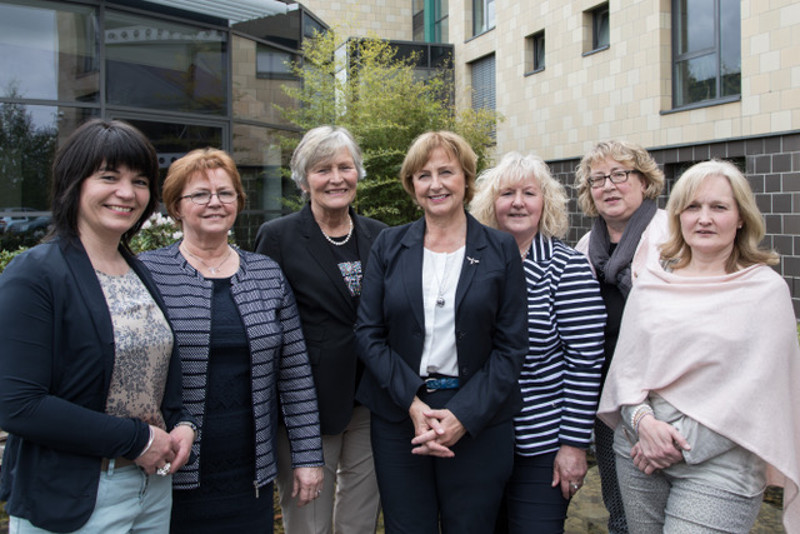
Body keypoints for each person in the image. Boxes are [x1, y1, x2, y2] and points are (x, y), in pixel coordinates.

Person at [0, 118, 196, 533]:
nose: (127, 193)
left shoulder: (136, 270)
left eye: (140, 181)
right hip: (75, 496)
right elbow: (17, 404)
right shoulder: (35, 274)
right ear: (75, 183)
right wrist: (137, 439)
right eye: (109, 177)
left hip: (150, 490)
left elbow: (157, 369)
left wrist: (180, 423)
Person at [597, 159, 800, 533]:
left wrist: (677, 443)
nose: (704, 218)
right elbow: (626, 369)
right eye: (692, 207)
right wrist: (642, 424)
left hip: (720, 461)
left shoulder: (765, 291)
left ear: (740, 218)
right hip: (639, 450)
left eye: (718, 207)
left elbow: (761, 390)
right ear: (678, 216)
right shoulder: (653, 282)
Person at [138, 148, 324, 533]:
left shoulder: (266, 273)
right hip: (169, 470)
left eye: (226, 193)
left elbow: (295, 374)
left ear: (239, 202)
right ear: (176, 206)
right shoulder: (148, 272)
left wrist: (307, 457)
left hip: (249, 475)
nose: (215, 203)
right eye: (200, 194)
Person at [355, 131, 527, 533]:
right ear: (411, 185)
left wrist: (461, 417)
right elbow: (368, 333)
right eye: (423, 174)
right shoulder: (388, 245)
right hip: (401, 415)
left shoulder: (500, 249)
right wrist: (414, 405)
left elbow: (512, 346)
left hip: (478, 417)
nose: (435, 184)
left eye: (446, 172)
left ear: (466, 179)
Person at [254, 126, 385, 533]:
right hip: (305, 406)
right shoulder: (278, 237)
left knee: (359, 522)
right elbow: (264, 322)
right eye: (322, 169)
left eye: (345, 167)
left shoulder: (379, 235)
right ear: (303, 179)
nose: (336, 178)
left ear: (357, 174)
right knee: (309, 522)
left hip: (371, 402)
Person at [470, 152, 607, 534]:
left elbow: (585, 364)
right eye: (506, 193)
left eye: (529, 193)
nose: (517, 202)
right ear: (489, 204)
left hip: (542, 444)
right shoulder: (470, 264)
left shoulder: (567, 268)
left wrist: (574, 446)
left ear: (544, 202)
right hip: (477, 438)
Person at [573, 139, 667, 534]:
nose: (608, 186)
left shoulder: (671, 237)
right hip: (608, 402)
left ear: (644, 182)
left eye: (619, 175)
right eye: (597, 179)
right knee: (621, 510)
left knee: (667, 510)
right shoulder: (583, 250)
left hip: (664, 400)